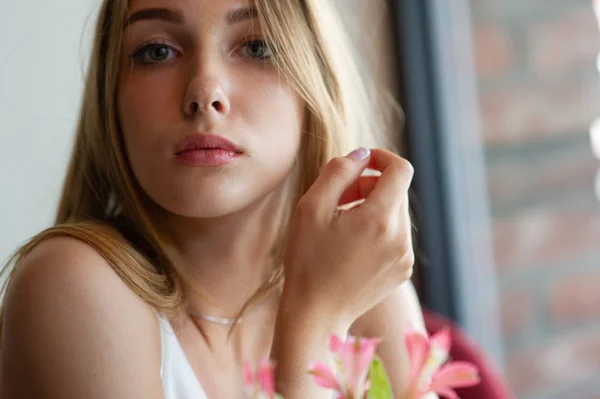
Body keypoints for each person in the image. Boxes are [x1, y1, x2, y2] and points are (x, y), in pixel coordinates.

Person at [0, 0, 427, 398]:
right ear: (110, 97)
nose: (204, 92)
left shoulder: (371, 294)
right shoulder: (71, 287)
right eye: (156, 52)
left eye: (257, 47)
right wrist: (315, 323)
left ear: (313, 79)